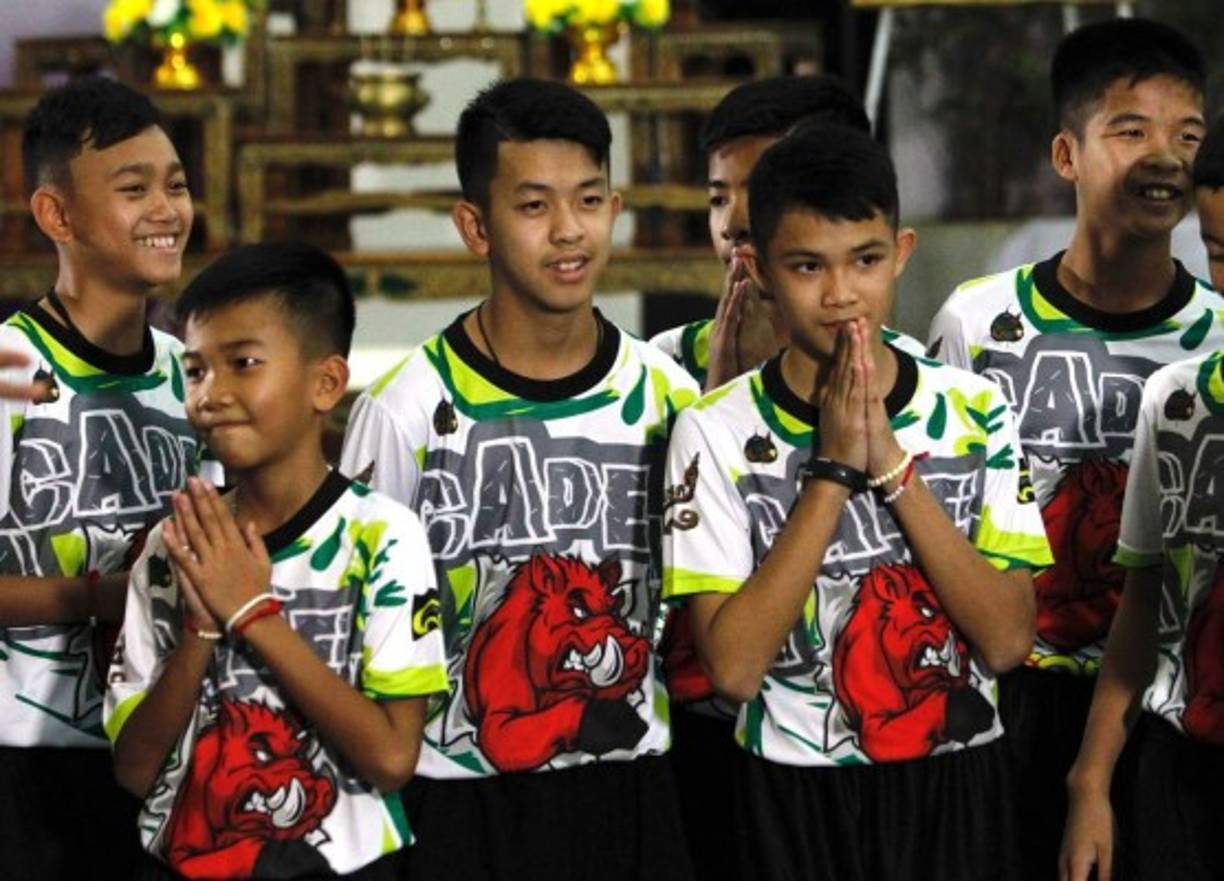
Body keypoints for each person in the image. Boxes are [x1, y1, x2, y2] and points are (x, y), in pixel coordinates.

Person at [663, 123, 1052, 881]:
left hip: (957, 782)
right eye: (808, 266)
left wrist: (893, 466)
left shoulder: (975, 408)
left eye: (865, 260)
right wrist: (834, 469)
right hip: (791, 794)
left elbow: (1009, 641)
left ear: (901, 252)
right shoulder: (712, 430)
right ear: (761, 270)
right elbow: (734, 668)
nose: (841, 294)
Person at [340, 78, 699, 881]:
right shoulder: (404, 411)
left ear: (616, 207)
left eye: (589, 200)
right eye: (534, 205)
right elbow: (351, 636)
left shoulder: (669, 399)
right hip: (453, 805)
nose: (569, 230)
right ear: (475, 225)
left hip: (629, 793)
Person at [925, 19, 1223, 878]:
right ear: (1067, 154)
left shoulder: (1217, 339)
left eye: (1187, 136)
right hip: (1007, 697)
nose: (1164, 158)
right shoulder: (976, 321)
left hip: (1160, 713)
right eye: (1131, 131)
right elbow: (935, 521)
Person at [105, 242, 448, 880]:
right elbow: (135, 770)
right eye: (197, 370)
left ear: (326, 383)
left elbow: (391, 758)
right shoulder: (172, 545)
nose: (212, 393)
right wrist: (201, 629)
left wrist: (253, 614)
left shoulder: (385, 538)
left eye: (243, 364)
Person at [0, 75, 198, 878]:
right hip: (25, 753)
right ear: (57, 215)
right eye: (133, 188)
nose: (166, 209)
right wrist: (110, 596)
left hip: (160, 747)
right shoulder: (10, 368)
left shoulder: (193, 371)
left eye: (176, 185)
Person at [1058, 109, 1224, 881]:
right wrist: (1091, 781)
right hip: (1183, 775)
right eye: (1219, 253)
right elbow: (1145, 596)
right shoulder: (1177, 402)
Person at [650, 75, 923, 393]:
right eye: (719, 199)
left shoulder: (924, 379)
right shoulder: (663, 365)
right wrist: (724, 396)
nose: (731, 225)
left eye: (760, 192)